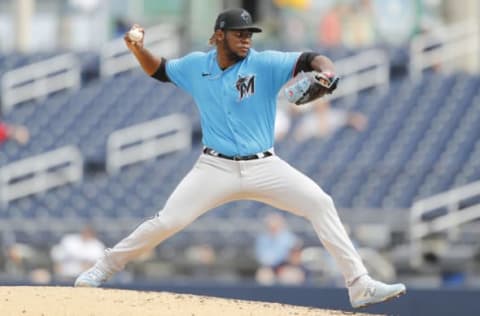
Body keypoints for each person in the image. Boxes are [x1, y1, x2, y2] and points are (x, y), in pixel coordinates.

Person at [74, 8, 405, 308]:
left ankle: (359, 284)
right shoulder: (195, 66)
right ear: (219, 35)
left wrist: (327, 73)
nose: (246, 39)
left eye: (249, 33)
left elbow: (311, 58)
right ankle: (102, 267)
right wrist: (137, 49)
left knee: (320, 203)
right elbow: (159, 69)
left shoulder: (264, 63)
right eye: (239, 33)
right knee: (168, 221)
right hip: (214, 167)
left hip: (264, 165)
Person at [293, 99, 367, 141]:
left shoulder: (332, 115)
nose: (321, 107)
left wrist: (357, 121)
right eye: (319, 106)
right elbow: (298, 135)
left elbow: (349, 117)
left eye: (323, 105)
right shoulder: (309, 120)